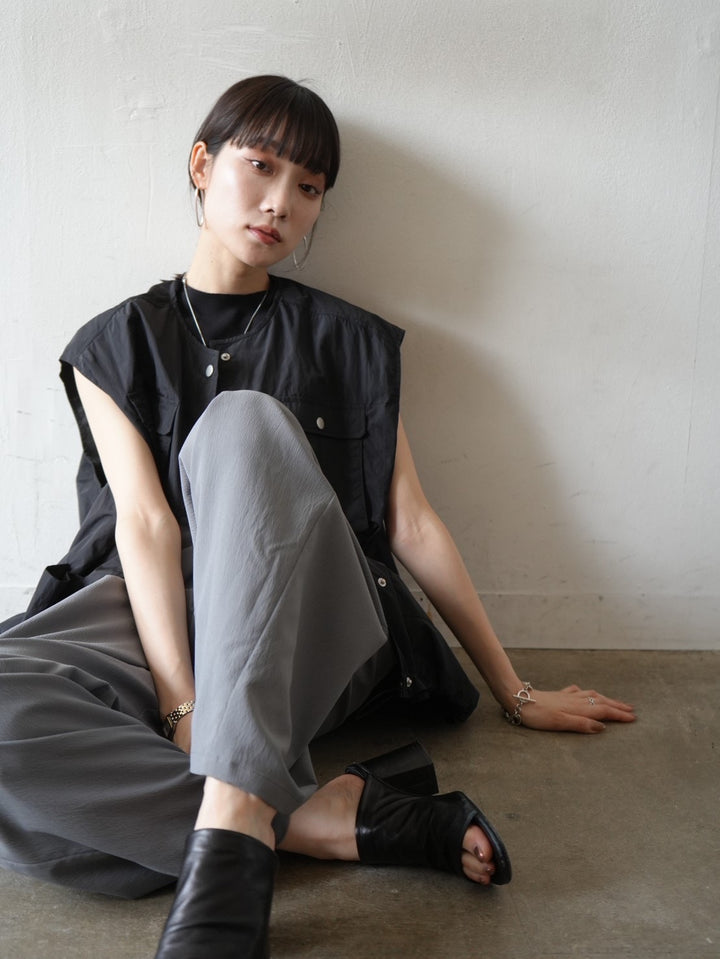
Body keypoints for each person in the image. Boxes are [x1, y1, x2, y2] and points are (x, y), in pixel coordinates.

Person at [0, 75, 635, 957]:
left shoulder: (351, 341)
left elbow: (411, 523)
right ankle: (317, 816)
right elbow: (145, 527)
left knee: (241, 424)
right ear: (201, 164)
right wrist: (184, 704)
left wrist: (514, 690)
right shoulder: (114, 343)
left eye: (308, 187)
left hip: (305, 619)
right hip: (149, 614)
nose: (280, 203)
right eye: (260, 167)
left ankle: (236, 810)